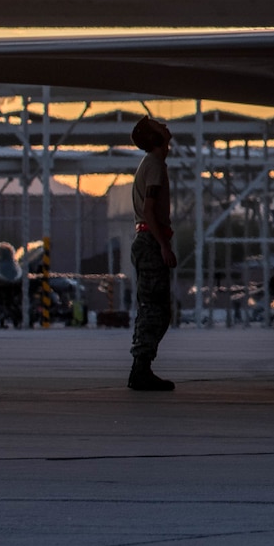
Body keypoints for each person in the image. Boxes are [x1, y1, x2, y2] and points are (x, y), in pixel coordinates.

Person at [127, 117, 178, 391]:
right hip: (150, 240)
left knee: (154, 308)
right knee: (154, 310)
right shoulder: (155, 166)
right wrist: (163, 245)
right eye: (159, 125)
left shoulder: (151, 164)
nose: (165, 125)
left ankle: (141, 366)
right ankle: (141, 368)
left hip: (146, 238)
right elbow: (149, 210)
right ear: (154, 138)